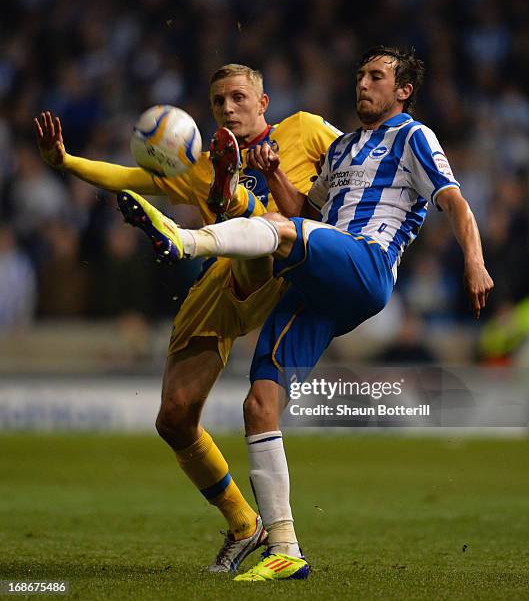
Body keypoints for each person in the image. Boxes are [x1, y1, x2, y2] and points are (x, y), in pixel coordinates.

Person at [116, 46, 494, 581]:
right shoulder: (341, 150)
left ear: (403, 91)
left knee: (277, 232)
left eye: (378, 76)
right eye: (361, 73)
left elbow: (453, 201)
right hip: (322, 276)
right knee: (259, 402)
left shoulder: (414, 136)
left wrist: (475, 262)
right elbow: (304, 213)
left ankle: (185, 240)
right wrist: (272, 175)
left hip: (366, 263)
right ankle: (285, 549)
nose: (364, 83)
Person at [34, 63, 340, 572]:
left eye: (239, 97)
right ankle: (246, 524)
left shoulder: (305, 129)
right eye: (218, 101)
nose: (227, 108)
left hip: (280, 262)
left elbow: (357, 165)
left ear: (263, 103)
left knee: (264, 229)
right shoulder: (196, 163)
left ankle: (221, 209)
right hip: (219, 280)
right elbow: (128, 177)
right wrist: (65, 160)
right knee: (174, 419)